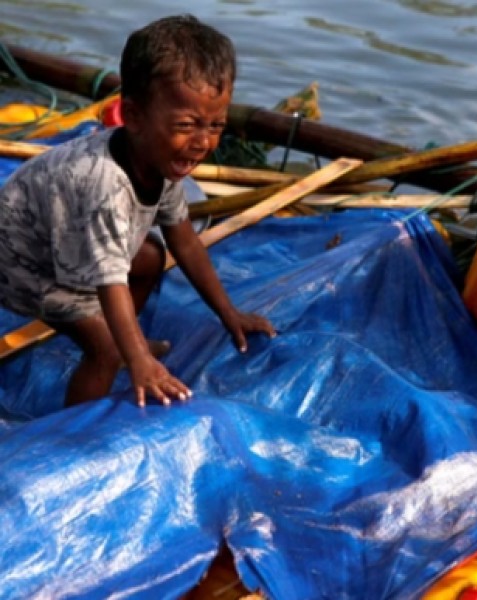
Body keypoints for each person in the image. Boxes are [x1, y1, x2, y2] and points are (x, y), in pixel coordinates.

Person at [0, 14, 275, 407]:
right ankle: (76, 435)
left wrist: (229, 313)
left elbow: (185, 239)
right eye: (188, 125)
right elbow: (111, 283)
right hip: (23, 264)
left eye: (216, 126)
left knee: (149, 257)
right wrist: (136, 359)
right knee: (108, 350)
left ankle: (131, 343)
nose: (203, 143)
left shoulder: (161, 158)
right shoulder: (106, 189)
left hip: (68, 246)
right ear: (133, 117)